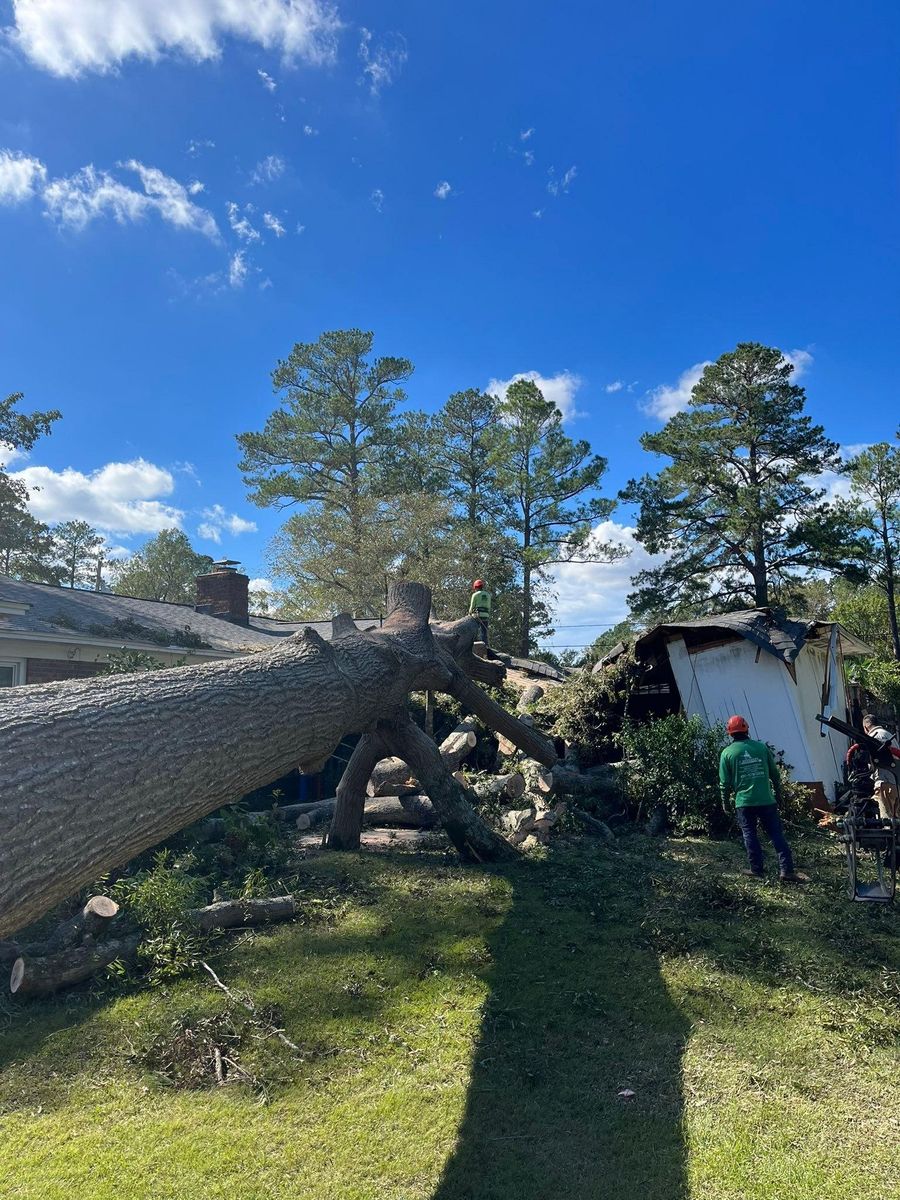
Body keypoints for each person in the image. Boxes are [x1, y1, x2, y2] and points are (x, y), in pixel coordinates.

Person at [719, 714, 802, 882]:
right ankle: (786, 871)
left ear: (729, 733)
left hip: (743, 802)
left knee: (749, 834)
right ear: (747, 729)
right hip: (766, 800)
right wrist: (778, 793)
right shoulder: (761, 748)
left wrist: (724, 802)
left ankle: (756, 869)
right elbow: (774, 774)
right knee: (776, 834)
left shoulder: (727, 753)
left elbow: (724, 783)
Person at [846, 713, 900, 819]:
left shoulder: (875, 737)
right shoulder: (887, 735)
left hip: (885, 782)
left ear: (866, 726)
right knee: (896, 819)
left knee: (886, 819)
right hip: (895, 782)